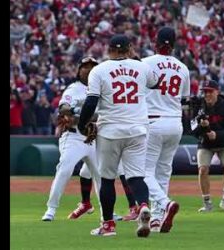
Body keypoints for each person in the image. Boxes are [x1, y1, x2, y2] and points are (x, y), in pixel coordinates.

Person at [78, 34, 157, 237]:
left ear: (110, 49)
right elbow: (155, 83)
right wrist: (135, 59)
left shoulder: (99, 70)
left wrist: (81, 125)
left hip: (110, 130)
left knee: (107, 179)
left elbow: (91, 103)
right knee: (137, 177)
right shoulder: (141, 67)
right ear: (129, 48)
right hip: (138, 129)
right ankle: (143, 206)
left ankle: (108, 225)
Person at [141, 26, 190, 233]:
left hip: (153, 121)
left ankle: (165, 203)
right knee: (163, 172)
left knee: (144, 172)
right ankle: (156, 219)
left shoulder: (145, 64)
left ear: (156, 42)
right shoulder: (183, 67)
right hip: (175, 122)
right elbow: (186, 103)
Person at [41, 57, 101, 221]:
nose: (89, 70)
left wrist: (87, 115)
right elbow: (63, 109)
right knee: (64, 170)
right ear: (79, 70)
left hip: (94, 137)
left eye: (92, 67)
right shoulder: (74, 89)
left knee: (101, 175)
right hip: (74, 136)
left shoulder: (102, 88)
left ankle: (107, 213)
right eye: (85, 67)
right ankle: (51, 209)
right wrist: (77, 111)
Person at [192, 80, 224, 212]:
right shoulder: (199, 106)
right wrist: (202, 128)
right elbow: (192, 129)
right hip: (205, 144)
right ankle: (207, 202)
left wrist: (216, 135)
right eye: (205, 92)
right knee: (203, 170)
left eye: (210, 91)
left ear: (217, 92)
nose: (207, 94)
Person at [69, 163, 138, 221]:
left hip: (111, 148)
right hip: (97, 149)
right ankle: (86, 204)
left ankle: (133, 207)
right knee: (85, 173)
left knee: (122, 172)